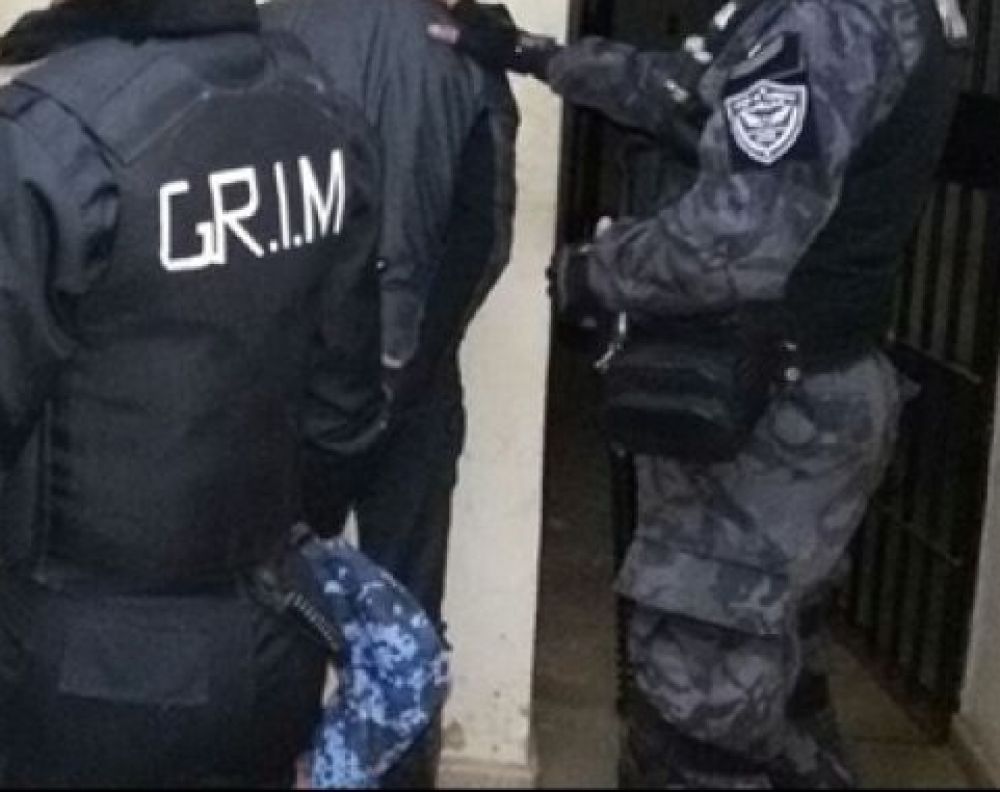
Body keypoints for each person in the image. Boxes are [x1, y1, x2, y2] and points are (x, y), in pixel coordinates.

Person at [429, 0, 967, 787]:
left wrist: (599, 270)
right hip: (803, 401)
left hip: (766, 423)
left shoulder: (830, 18)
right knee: (774, 697)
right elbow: (687, 92)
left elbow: (736, 242)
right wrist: (529, 53)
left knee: (699, 719)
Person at [0, 0, 386, 786]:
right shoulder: (322, 112)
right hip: (271, 628)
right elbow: (345, 413)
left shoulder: (52, 134)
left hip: (88, 659)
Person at [262, 0, 518, 785]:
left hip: (292, 384)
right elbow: (484, 232)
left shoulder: (269, 32)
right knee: (405, 615)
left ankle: (278, 766)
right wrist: (418, 364)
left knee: (282, 601)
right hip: (416, 382)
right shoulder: (463, 40)